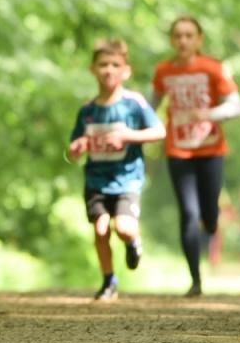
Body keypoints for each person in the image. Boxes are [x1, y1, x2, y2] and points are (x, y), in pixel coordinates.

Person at [151, 16, 240, 297]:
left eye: (189, 35)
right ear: (171, 40)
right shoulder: (164, 71)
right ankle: (195, 279)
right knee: (188, 213)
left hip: (211, 149)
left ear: (199, 39)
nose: (183, 41)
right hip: (178, 150)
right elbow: (149, 105)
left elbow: (236, 106)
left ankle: (211, 226)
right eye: (178, 36)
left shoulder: (212, 68)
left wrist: (209, 114)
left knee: (209, 214)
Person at [65, 39, 165, 301]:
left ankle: (133, 243)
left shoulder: (134, 104)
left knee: (123, 228)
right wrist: (75, 149)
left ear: (125, 71)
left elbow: (159, 131)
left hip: (127, 179)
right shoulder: (87, 111)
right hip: (96, 180)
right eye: (103, 65)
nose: (108, 70)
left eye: (115, 65)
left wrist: (127, 136)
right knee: (100, 230)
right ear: (93, 70)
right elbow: (71, 151)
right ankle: (109, 281)